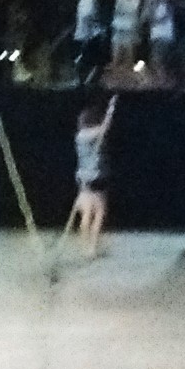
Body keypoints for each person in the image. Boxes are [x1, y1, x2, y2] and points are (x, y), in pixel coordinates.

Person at [68, 95, 118, 259]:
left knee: (86, 214)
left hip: (84, 177)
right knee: (98, 213)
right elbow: (105, 128)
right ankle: (92, 248)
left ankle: (85, 247)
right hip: (96, 176)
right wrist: (111, 109)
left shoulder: (79, 136)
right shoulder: (92, 134)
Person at [71, 0, 109, 86]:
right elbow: (87, 15)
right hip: (88, 36)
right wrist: (99, 25)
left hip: (89, 35)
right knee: (91, 61)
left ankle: (88, 81)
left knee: (96, 61)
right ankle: (85, 82)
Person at [145, 0, 177, 86]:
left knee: (157, 60)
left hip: (163, 36)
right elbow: (147, 18)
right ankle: (161, 80)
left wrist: (153, 20)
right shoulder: (154, 7)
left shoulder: (166, 5)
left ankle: (163, 80)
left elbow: (162, 18)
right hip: (156, 36)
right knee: (155, 60)